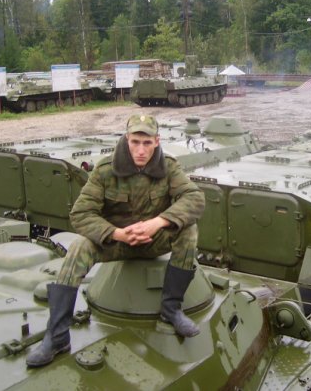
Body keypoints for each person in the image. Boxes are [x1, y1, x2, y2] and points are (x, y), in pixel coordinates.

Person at [26, 114, 206, 367]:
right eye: (135, 142)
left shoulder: (168, 167)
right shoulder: (105, 170)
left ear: (157, 141)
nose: (141, 150)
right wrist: (116, 233)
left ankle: (171, 310)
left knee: (189, 230)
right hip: (116, 242)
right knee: (79, 247)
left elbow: (195, 198)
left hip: (154, 239)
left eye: (147, 143)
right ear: (126, 139)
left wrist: (158, 222)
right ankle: (57, 336)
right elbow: (80, 214)